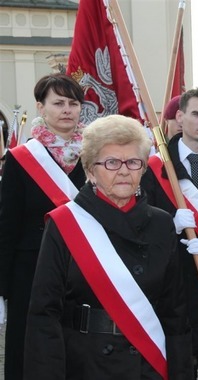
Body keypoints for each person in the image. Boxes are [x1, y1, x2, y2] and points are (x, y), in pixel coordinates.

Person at [24, 114, 193, 379]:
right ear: (91, 170)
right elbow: (44, 315)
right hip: (85, 363)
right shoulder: (66, 223)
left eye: (133, 161)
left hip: (148, 362)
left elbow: (175, 312)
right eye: (112, 162)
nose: (124, 170)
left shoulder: (161, 223)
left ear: (143, 169)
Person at [141, 87, 198, 380]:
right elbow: (140, 220)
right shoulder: (153, 168)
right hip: (171, 285)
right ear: (180, 116)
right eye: (197, 114)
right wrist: (169, 224)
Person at [0, 73, 86, 380]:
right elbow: (6, 226)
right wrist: (2, 287)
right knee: (30, 352)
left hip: (84, 269)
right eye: (58, 102)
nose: (66, 109)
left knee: (78, 349)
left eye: (73, 103)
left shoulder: (96, 155)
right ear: (41, 107)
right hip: (31, 273)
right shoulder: (22, 158)